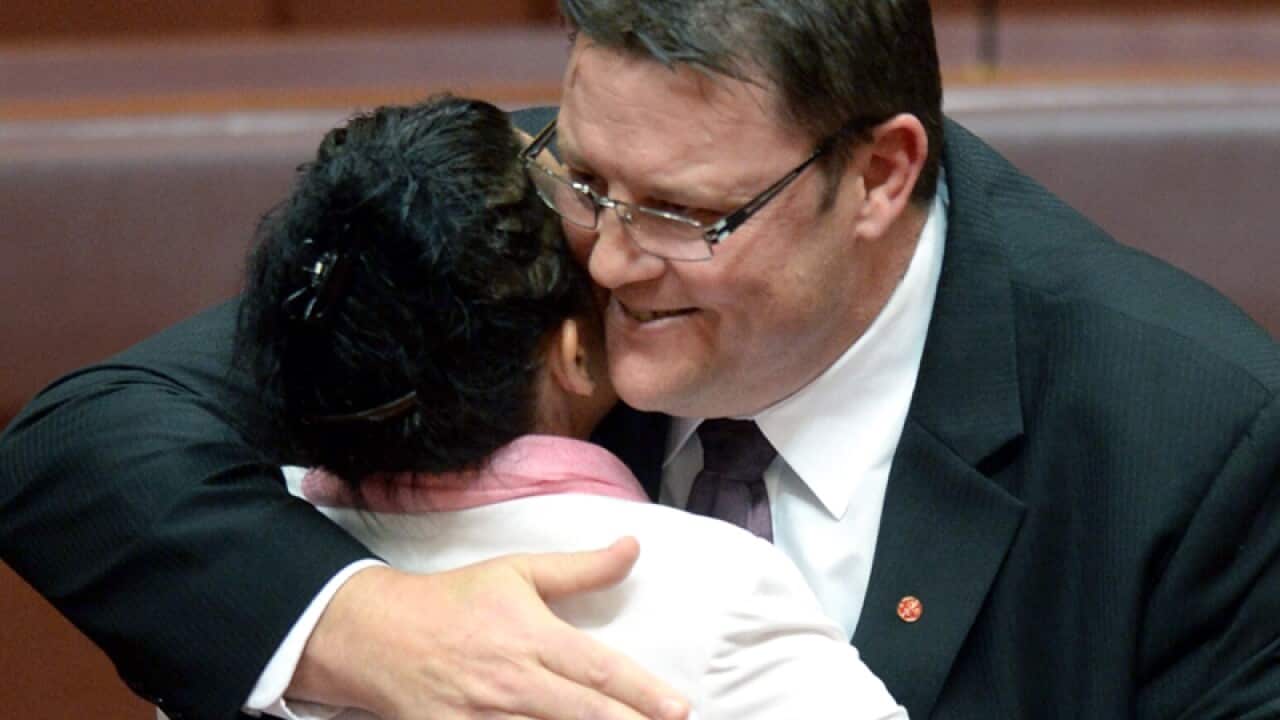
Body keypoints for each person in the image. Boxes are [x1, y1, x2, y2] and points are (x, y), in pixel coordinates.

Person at [1, 1, 1278, 719]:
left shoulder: (1182, 435)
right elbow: (84, 444)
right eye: (584, 175)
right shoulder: (518, 219)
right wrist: (360, 624)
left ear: (880, 174)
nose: (604, 261)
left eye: (681, 214)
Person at [230, 93, 905, 720]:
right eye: (584, 209)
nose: (616, 260)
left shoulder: (244, 589)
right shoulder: (713, 597)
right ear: (573, 355)